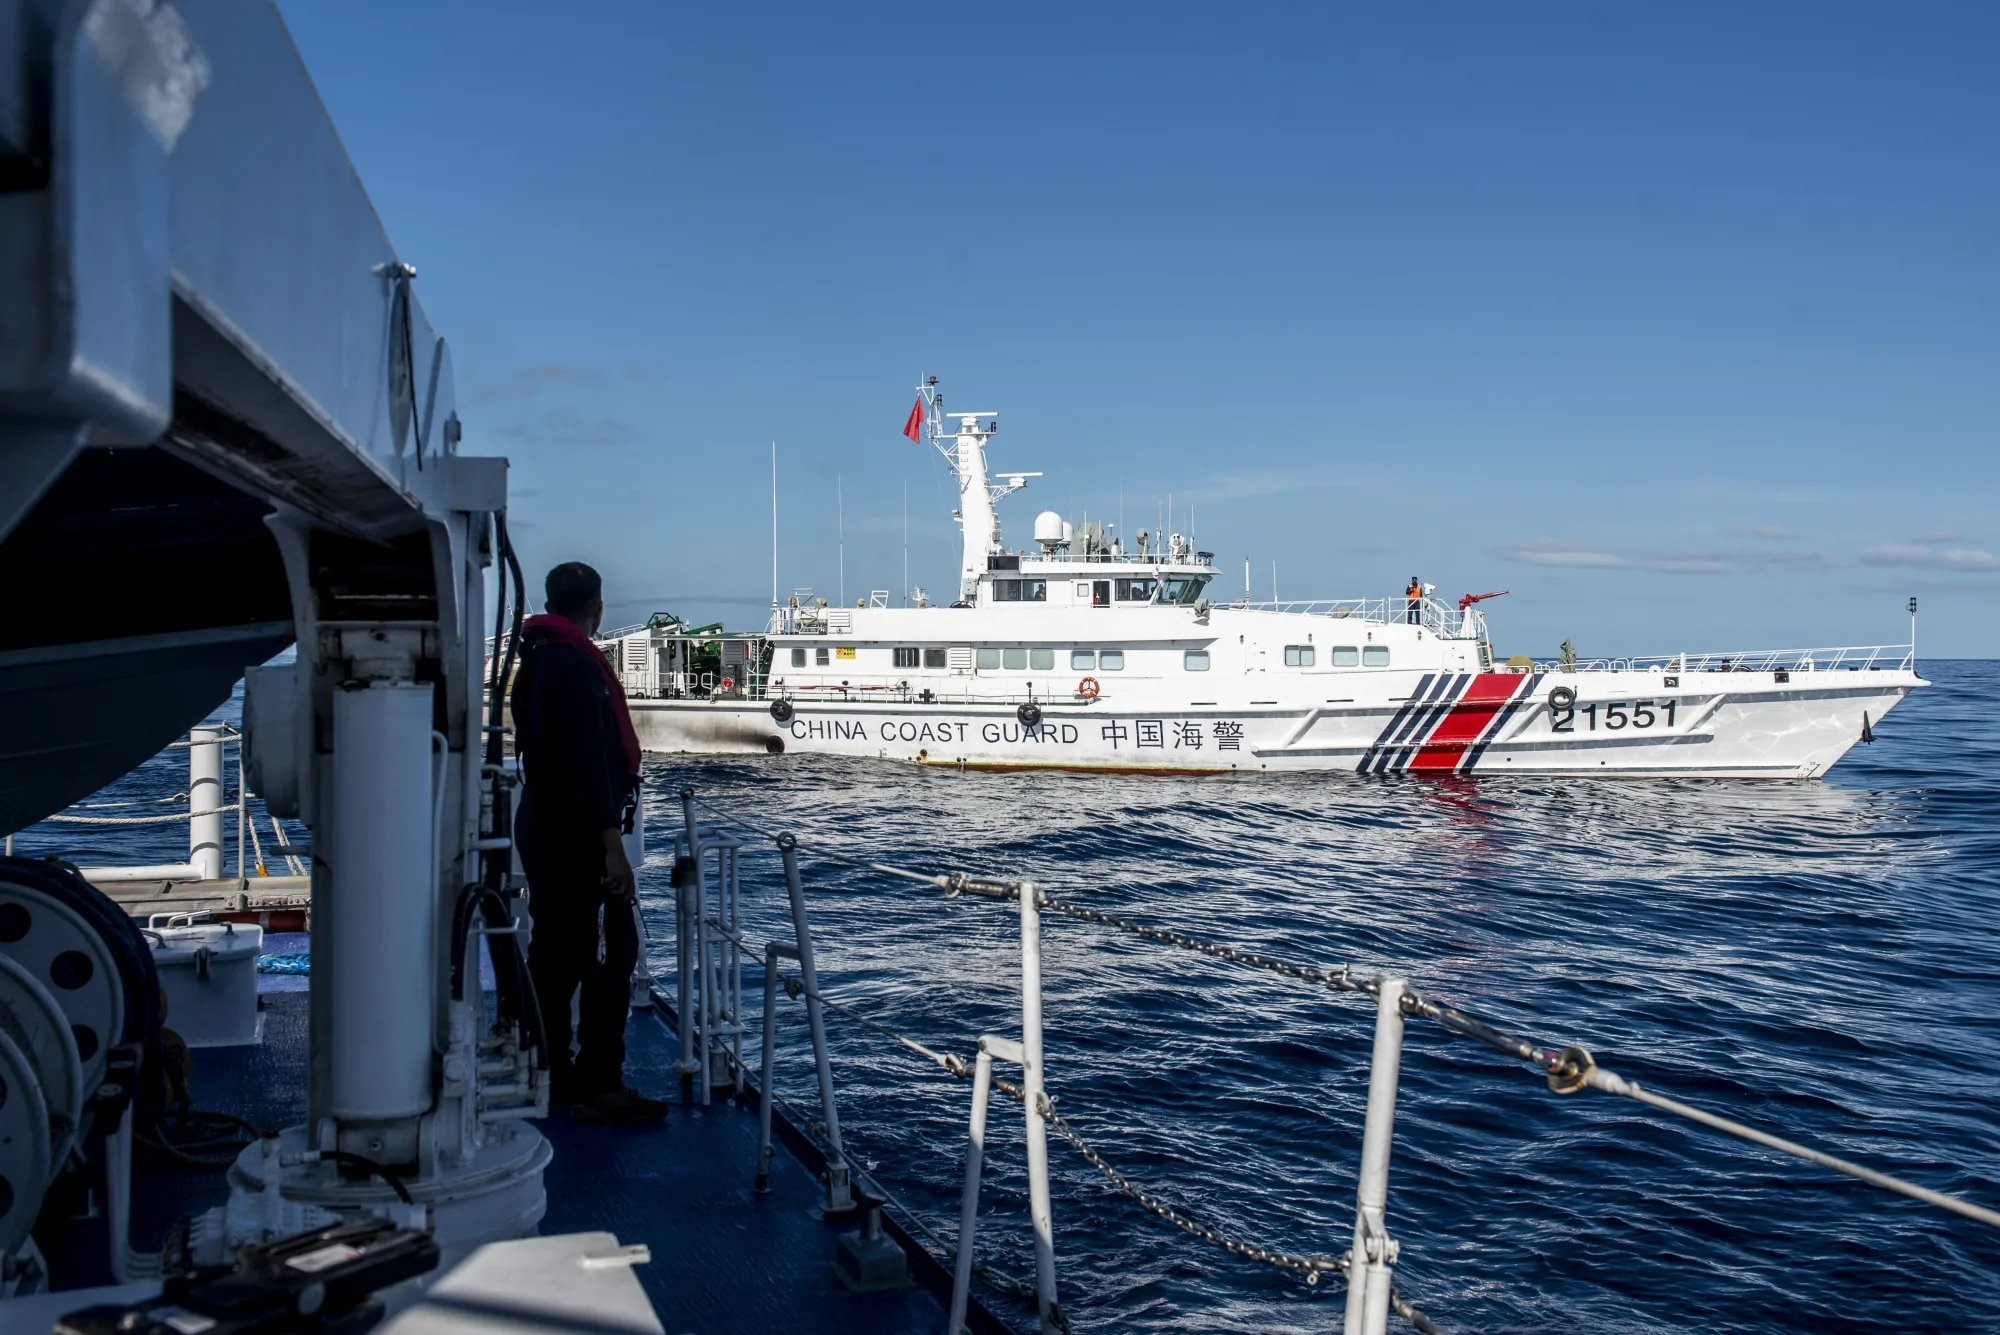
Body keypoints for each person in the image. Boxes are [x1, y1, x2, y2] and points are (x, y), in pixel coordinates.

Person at [511, 561, 665, 1125]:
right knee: (609, 954)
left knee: (554, 953)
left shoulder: (535, 663)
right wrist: (611, 846)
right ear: (596, 608)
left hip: (543, 825)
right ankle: (599, 1082)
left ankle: (550, 1072)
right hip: (578, 837)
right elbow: (589, 764)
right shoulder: (577, 668)